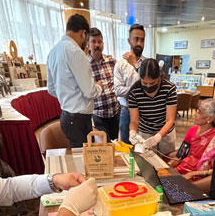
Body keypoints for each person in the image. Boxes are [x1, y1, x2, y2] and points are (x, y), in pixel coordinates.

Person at [47, 13, 102, 148]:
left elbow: (51, 89)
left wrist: (67, 95)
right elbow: (89, 91)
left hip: (66, 116)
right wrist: (99, 87)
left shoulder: (53, 52)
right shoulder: (76, 52)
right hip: (79, 119)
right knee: (84, 156)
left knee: (79, 153)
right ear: (83, 33)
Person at [128, 58, 177, 155]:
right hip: (145, 133)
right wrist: (133, 132)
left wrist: (158, 137)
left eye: (152, 83)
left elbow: (170, 120)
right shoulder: (134, 91)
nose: (148, 86)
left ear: (159, 77)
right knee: (147, 160)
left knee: (166, 160)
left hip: (166, 133)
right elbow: (134, 121)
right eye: (144, 83)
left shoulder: (169, 89)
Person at [168, 99, 215, 181]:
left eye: (200, 112)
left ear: (210, 118)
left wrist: (193, 174)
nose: (195, 114)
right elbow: (181, 154)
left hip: (201, 176)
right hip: (184, 168)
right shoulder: (192, 130)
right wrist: (169, 165)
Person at [114, 23, 146, 143]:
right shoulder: (120, 64)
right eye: (136, 39)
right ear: (129, 41)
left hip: (144, 111)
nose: (139, 43)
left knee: (144, 147)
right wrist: (138, 89)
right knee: (126, 148)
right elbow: (117, 90)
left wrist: (135, 64)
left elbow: (150, 87)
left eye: (142, 40)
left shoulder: (148, 64)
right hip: (126, 111)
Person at [87, 27, 120, 141]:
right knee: (105, 145)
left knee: (115, 143)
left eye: (100, 42)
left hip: (114, 112)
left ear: (103, 44)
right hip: (99, 115)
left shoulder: (112, 61)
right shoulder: (85, 65)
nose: (97, 45)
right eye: (93, 41)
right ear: (88, 44)